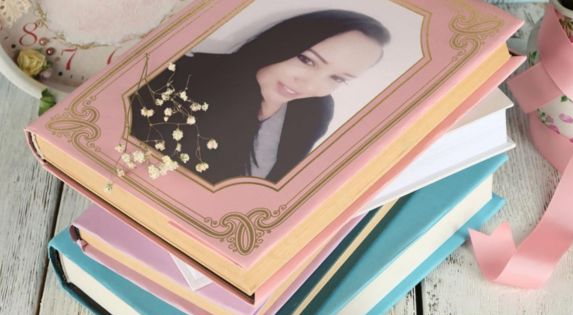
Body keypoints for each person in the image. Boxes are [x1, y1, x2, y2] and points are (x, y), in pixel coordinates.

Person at [130, 9, 391, 184]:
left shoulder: (315, 110)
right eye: (306, 60)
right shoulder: (182, 75)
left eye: (337, 78)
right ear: (281, 42)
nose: (310, 84)